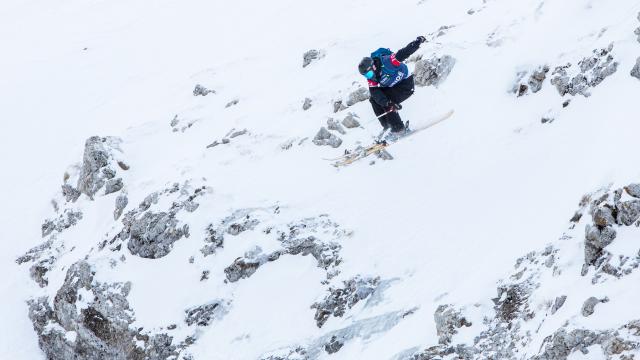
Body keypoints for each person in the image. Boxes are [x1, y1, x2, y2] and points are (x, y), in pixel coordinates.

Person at [358, 36, 427, 136]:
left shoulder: (387, 62)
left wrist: (417, 42)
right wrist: (386, 102)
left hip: (406, 85)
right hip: (392, 87)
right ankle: (387, 126)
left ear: (373, 66)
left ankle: (398, 129)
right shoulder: (371, 77)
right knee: (375, 100)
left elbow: (403, 53)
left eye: (368, 74)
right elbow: (374, 92)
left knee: (387, 102)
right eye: (366, 76)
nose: (369, 76)